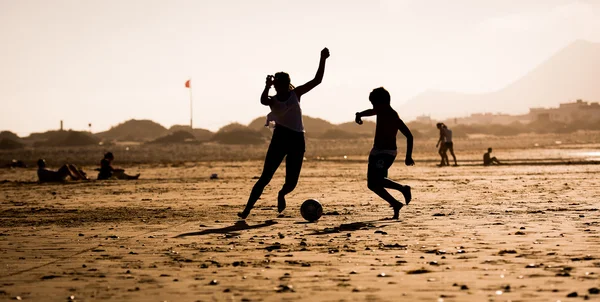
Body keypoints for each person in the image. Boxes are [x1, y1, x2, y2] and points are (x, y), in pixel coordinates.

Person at [238, 47, 330, 219]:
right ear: (275, 85)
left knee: (292, 182)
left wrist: (322, 58)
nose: (280, 88)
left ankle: (281, 194)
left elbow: (317, 80)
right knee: (265, 177)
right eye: (277, 85)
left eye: (282, 84)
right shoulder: (272, 99)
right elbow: (262, 100)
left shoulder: (295, 94)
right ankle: (247, 210)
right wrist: (266, 86)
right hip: (279, 139)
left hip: (297, 139)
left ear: (287, 84)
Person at [355, 87, 414, 220]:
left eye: (374, 104)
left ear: (383, 103)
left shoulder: (393, 116)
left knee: (379, 180)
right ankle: (395, 204)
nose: (373, 107)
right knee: (372, 184)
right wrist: (359, 114)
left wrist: (408, 156)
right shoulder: (381, 111)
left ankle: (403, 189)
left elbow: (409, 136)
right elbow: (372, 111)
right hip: (376, 151)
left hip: (387, 153)